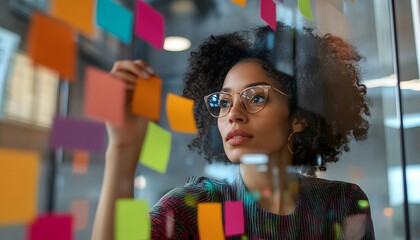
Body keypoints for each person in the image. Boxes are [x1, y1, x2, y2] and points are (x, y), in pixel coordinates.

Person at [91, 22, 374, 239]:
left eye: (256, 97)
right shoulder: (194, 207)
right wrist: (123, 148)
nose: (233, 115)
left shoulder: (341, 203)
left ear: (298, 117)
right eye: (223, 102)